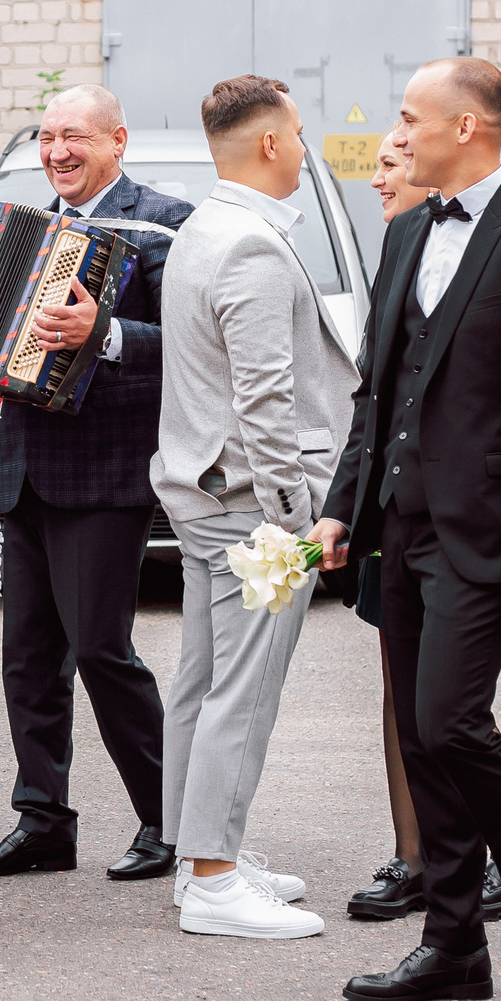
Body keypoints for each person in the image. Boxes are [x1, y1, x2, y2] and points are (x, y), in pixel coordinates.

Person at [317, 57, 501, 1001]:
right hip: (401, 522)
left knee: (451, 722)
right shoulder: (406, 232)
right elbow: (379, 387)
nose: (398, 134)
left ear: (469, 127)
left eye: (411, 117)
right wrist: (340, 504)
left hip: (489, 530)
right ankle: (450, 941)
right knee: (416, 728)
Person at [0, 84, 195, 883]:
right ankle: (43, 822)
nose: (57, 151)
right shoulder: (33, 227)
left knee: (103, 648)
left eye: (75, 137)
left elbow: (198, 345)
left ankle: (170, 817)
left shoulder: (167, 222)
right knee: (27, 655)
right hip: (26, 461)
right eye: (48, 137)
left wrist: (106, 332)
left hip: (107, 470)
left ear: (117, 140)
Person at [151, 77, 355, 940]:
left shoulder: (205, 227)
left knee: (201, 683)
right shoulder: (254, 247)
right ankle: (213, 879)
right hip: (250, 508)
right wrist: (297, 518)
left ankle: (202, 849)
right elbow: (265, 402)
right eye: (302, 135)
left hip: (202, 495)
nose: (306, 150)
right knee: (244, 689)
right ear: (269, 143)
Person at [349, 127, 435, 921]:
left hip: (459, 515)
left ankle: (457, 858)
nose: (378, 178)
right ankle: (414, 854)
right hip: (389, 507)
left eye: (390, 164)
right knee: (397, 687)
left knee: (446, 698)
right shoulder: (397, 244)